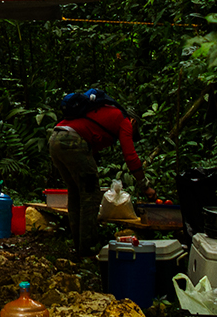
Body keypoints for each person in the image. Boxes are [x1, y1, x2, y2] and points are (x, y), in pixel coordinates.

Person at [48, 88, 146, 258]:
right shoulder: (124, 121)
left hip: (55, 138)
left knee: (76, 193)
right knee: (90, 196)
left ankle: (78, 247)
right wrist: (144, 185)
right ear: (133, 121)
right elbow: (130, 157)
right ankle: (88, 251)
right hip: (73, 141)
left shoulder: (102, 112)